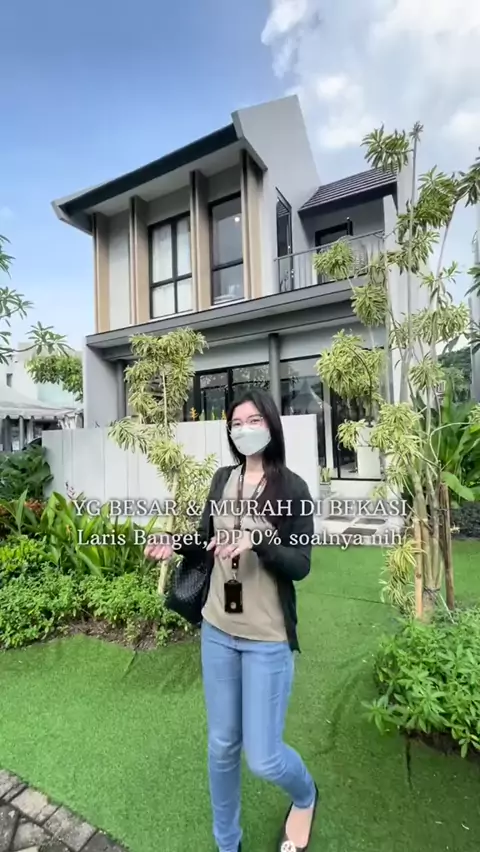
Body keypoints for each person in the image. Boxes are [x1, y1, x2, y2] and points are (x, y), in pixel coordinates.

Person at [145, 388, 318, 852]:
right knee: (222, 746)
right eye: (236, 423)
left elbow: (301, 565)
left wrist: (258, 541)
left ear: (271, 425)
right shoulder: (223, 478)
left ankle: (305, 795)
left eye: (253, 420)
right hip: (218, 631)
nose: (244, 429)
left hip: (267, 639)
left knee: (263, 757)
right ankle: (228, 843)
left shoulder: (293, 489)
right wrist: (175, 544)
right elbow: (206, 541)